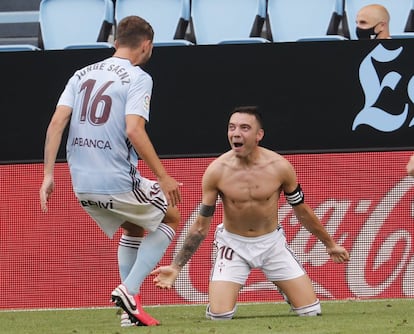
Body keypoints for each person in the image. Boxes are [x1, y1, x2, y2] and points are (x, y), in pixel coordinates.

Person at [39, 15, 181, 327]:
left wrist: (48, 175)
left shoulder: (81, 74)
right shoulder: (138, 77)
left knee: (133, 227)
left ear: (115, 42)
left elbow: (56, 122)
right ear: (146, 46)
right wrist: (162, 175)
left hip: (81, 182)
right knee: (171, 215)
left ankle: (128, 312)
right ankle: (129, 290)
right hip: (115, 176)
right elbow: (134, 129)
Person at [152, 106, 350, 319]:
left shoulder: (280, 167)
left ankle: (285, 287)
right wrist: (176, 266)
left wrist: (330, 244)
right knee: (220, 316)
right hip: (233, 245)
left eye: (244, 128)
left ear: (259, 135)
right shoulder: (216, 171)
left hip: (272, 244)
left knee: (311, 312)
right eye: (232, 128)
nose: (236, 133)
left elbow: (302, 211)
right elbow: (201, 226)